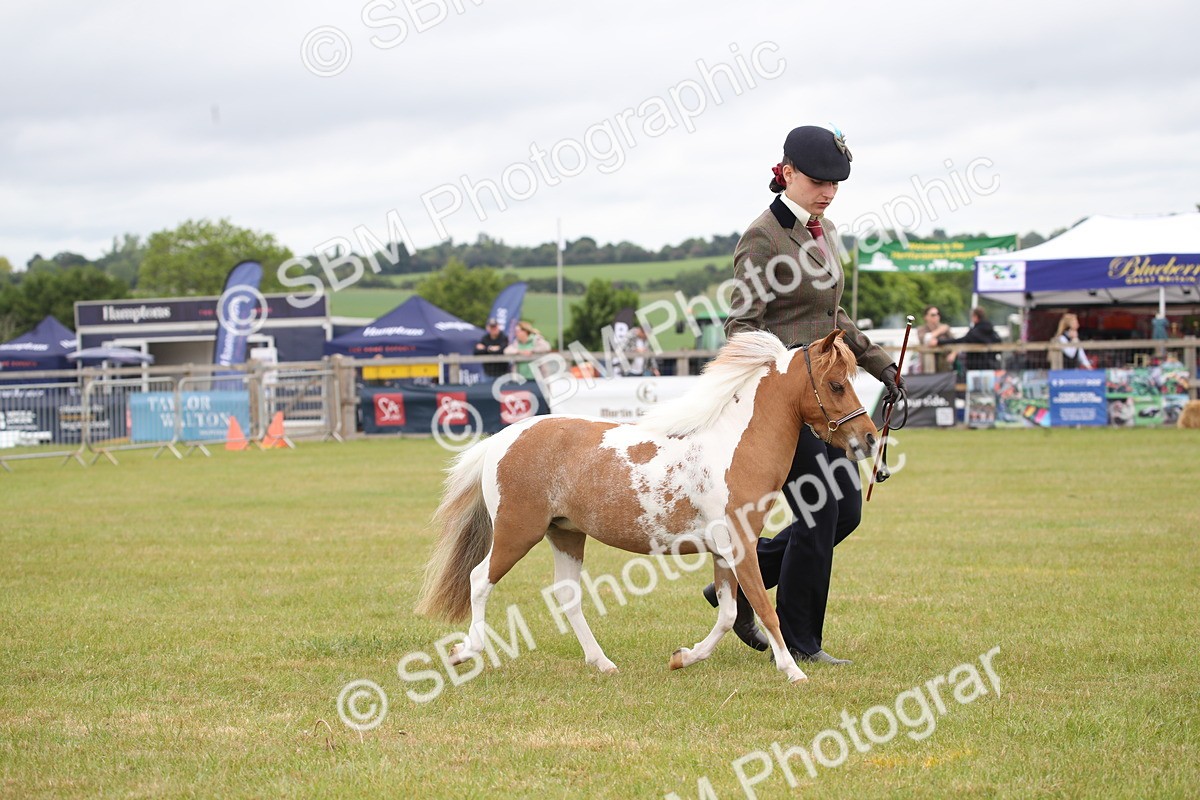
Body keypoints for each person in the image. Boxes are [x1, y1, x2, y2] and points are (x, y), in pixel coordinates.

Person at [703, 124, 901, 666]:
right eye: (818, 181)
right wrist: (787, 368)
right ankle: (800, 643)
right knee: (820, 513)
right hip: (787, 404)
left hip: (827, 400)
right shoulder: (762, 239)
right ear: (786, 173)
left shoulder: (824, 229)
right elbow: (742, 326)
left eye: (835, 184)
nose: (828, 192)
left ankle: (744, 579)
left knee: (845, 514)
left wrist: (883, 366)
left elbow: (832, 317)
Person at [938, 307, 1001, 372]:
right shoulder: (991, 331)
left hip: (976, 367)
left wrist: (939, 341)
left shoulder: (975, 332)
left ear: (975, 316)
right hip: (991, 366)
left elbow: (961, 340)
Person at [912, 305, 951, 374]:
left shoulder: (945, 328)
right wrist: (940, 330)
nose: (936, 316)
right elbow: (925, 339)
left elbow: (955, 342)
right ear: (926, 317)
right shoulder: (921, 329)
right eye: (933, 315)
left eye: (938, 314)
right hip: (928, 367)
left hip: (944, 365)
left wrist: (953, 355)